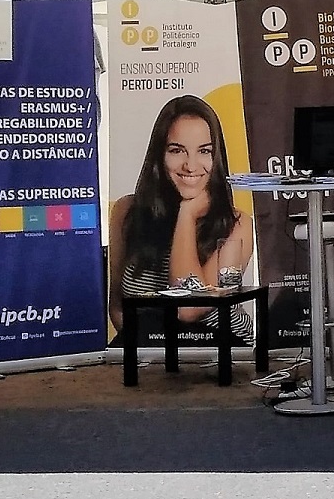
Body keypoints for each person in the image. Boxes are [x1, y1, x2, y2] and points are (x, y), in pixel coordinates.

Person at [107, 95, 256, 335]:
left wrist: (186, 213)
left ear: (215, 158)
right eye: (177, 150)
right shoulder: (126, 212)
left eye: (204, 151)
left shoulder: (236, 224)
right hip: (151, 353)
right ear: (159, 155)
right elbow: (118, 305)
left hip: (222, 353)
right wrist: (146, 352)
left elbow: (189, 307)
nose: (191, 165)